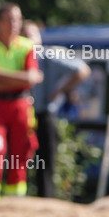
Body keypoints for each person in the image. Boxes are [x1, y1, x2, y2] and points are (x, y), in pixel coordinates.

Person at [0, 3, 43, 199]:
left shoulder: (27, 46)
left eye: (17, 20)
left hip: (21, 107)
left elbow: (32, 78)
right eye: (9, 20)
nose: (14, 24)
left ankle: (15, 202)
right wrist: (20, 79)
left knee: (20, 155)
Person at [22, 21, 90, 198]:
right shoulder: (17, 57)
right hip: (21, 114)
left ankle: (45, 199)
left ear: (39, 37)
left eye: (32, 35)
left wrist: (59, 91)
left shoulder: (48, 55)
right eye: (24, 35)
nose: (29, 40)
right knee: (20, 160)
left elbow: (83, 70)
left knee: (45, 162)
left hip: (44, 115)